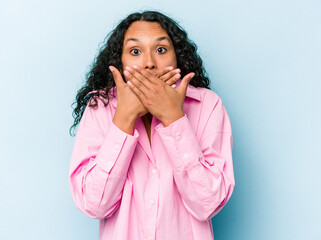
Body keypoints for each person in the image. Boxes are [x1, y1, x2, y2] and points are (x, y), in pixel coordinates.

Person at [69, 10, 235, 240]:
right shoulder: (101, 106)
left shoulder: (207, 105)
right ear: (120, 60)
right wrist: (124, 118)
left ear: (177, 57)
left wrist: (174, 119)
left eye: (161, 50)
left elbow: (208, 204)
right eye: (135, 51)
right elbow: (93, 204)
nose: (149, 63)